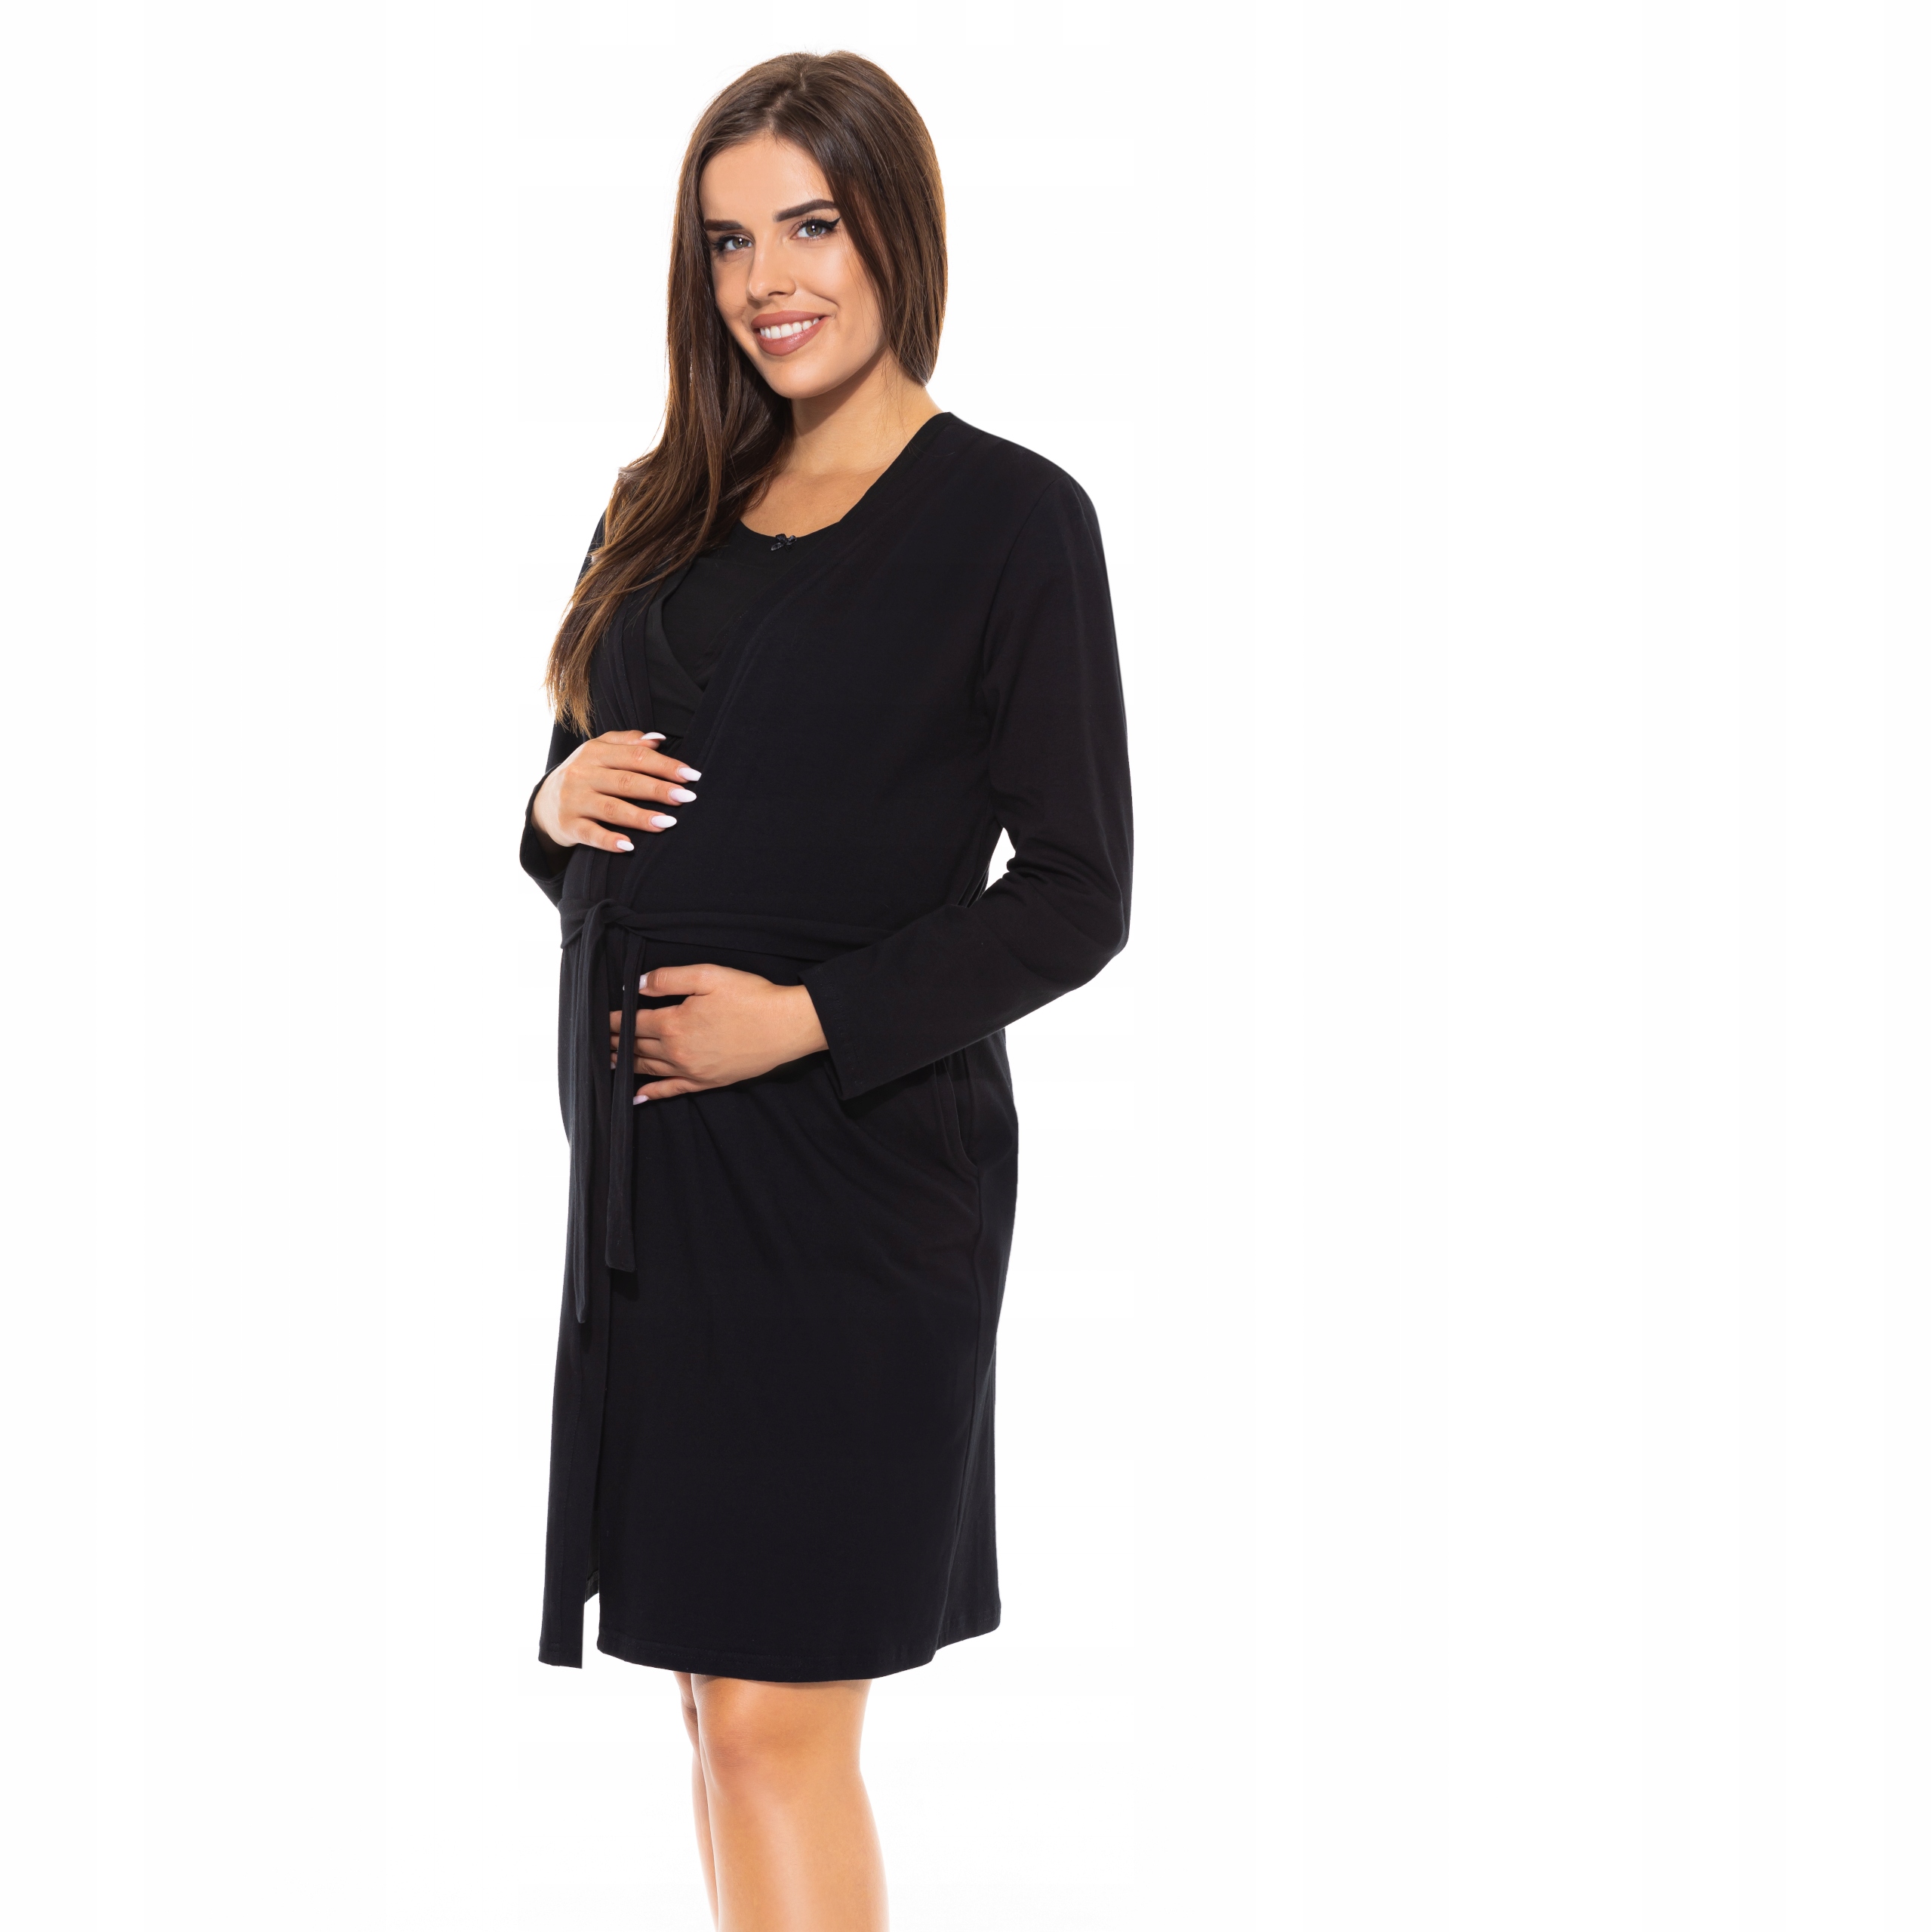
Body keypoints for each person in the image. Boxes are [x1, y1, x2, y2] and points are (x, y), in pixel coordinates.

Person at [520, 50, 1131, 1930]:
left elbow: (1079, 897)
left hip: (855, 1189)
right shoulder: (664, 505)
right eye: (727, 241)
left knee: (779, 1714)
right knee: (719, 1711)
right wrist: (547, 804)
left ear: (895, 233)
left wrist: (794, 1019)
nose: (766, 278)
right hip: (659, 1204)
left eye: (809, 225)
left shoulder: (1007, 519)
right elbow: (587, 808)